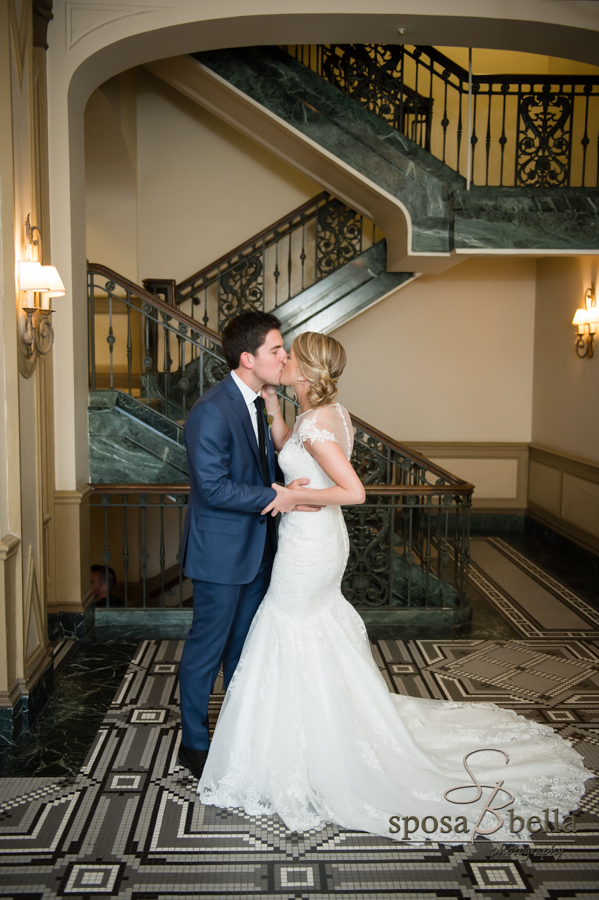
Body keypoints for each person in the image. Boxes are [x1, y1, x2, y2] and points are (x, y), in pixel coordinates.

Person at [197, 331, 592, 843]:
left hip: (309, 543)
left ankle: (298, 746)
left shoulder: (318, 425)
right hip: (315, 539)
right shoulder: (328, 414)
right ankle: (316, 730)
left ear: (309, 371)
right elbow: (290, 449)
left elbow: (353, 491)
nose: (284, 360)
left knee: (288, 625)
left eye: (291, 356)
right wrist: (275, 411)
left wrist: (292, 499)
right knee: (307, 627)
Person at [178, 311, 319, 781]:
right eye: (277, 350)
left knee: (243, 650)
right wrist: (276, 496)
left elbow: (257, 468)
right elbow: (214, 487)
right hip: (220, 555)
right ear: (248, 357)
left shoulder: (260, 400)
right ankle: (194, 744)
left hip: (259, 550)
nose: (284, 357)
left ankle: (237, 738)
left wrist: (284, 481)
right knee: (207, 650)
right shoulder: (212, 410)